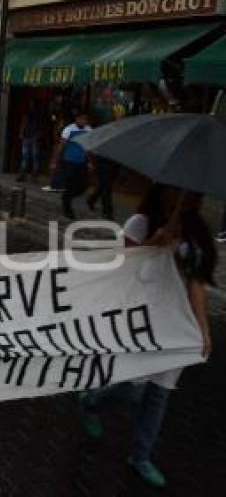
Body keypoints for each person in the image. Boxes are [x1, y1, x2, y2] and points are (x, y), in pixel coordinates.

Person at [81, 183, 215, 488]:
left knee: (159, 394)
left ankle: (141, 456)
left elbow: (197, 284)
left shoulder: (197, 233)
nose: (193, 197)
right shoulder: (139, 223)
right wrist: (154, 244)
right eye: (186, 191)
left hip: (177, 322)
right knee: (134, 389)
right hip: (140, 318)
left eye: (197, 193)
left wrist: (202, 328)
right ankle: (93, 401)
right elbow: (122, 269)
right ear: (166, 190)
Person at [57, 114, 92, 219]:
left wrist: (90, 161)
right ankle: (68, 209)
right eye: (80, 119)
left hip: (82, 161)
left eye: (85, 120)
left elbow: (88, 147)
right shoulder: (69, 130)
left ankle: (66, 198)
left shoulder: (89, 129)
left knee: (83, 186)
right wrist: (56, 160)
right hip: (69, 161)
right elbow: (61, 145)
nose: (82, 121)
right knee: (70, 184)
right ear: (76, 120)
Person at [16, 101, 45, 181]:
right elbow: (24, 123)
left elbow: (42, 128)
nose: (31, 107)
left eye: (32, 105)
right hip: (28, 137)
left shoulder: (39, 116)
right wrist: (21, 132)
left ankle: (32, 176)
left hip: (32, 138)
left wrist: (37, 136)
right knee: (27, 157)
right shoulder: (28, 115)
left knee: (32, 157)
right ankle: (25, 175)